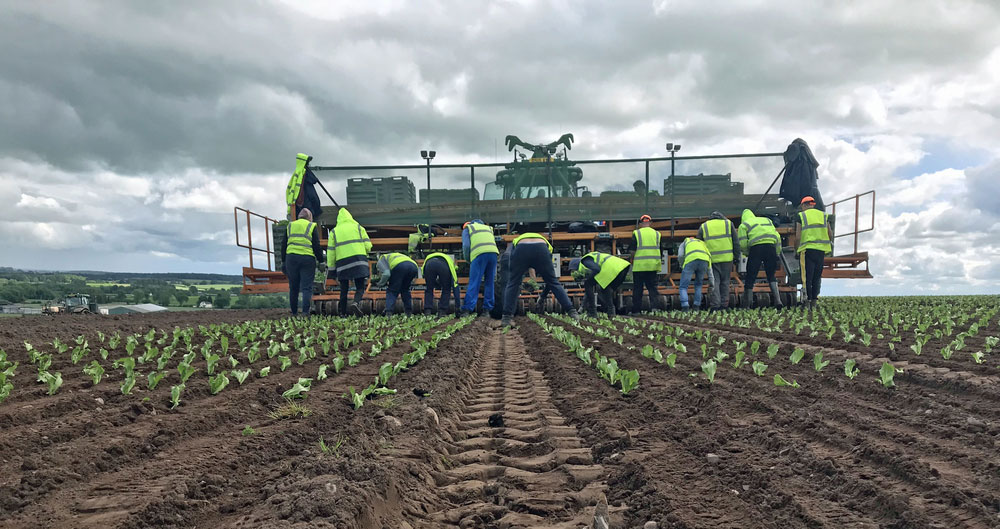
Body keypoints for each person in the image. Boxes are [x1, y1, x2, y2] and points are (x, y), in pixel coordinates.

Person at [502, 233, 579, 327]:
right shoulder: (547, 244)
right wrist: (541, 294)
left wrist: (522, 280)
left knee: (513, 282)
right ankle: (572, 312)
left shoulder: (516, 241)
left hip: (521, 248)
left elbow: (524, 262)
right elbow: (547, 279)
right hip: (541, 248)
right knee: (553, 282)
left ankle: (506, 318)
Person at [328, 208, 372, 316]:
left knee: (344, 289)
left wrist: (331, 270)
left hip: (343, 264)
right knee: (360, 287)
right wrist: (364, 252)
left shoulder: (334, 231)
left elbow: (331, 253)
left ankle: (343, 314)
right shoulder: (358, 227)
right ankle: (356, 302)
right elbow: (368, 246)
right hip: (358, 261)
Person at [279, 208, 323, 316]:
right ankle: (305, 312)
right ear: (309, 217)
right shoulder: (311, 226)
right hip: (307, 259)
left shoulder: (290, 226)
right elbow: (316, 246)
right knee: (306, 287)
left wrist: (283, 261)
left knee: (293, 287)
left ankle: (294, 313)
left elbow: (284, 244)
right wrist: (321, 260)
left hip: (291, 258)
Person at [738, 209, 783, 309]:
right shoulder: (767, 221)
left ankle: (747, 304)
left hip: (756, 249)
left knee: (751, 276)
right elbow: (777, 237)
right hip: (771, 247)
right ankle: (778, 300)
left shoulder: (744, 225)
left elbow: (742, 243)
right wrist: (777, 252)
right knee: (771, 275)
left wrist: (747, 253)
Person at [793, 196, 832, 309]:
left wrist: (796, 250)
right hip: (820, 251)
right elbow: (830, 233)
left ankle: (806, 302)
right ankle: (814, 302)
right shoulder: (823, 215)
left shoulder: (801, 216)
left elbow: (798, 236)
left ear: (804, 205)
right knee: (816, 276)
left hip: (807, 250)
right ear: (812, 204)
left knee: (806, 277)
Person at [698, 211, 739, 311]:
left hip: (712, 260)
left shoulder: (704, 226)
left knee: (715, 282)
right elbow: (735, 242)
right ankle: (724, 305)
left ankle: (715, 305)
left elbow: (699, 243)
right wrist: (737, 257)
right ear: (722, 217)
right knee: (725, 282)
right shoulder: (728, 223)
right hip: (727, 259)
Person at [572, 252, 631, 317]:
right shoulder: (591, 258)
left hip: (614, 269)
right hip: (622, 267)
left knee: (588, 284)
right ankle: (611, 312)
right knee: (605, 289)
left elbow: (596, 269)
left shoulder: (585, 260)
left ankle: (592, 312)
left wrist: (588, 278)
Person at [461, 219, 499, 315]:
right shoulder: (488, 228)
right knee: (489, 282)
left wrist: (468, 259)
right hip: (493, 254)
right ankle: (487, 310)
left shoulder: (468, 228)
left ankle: (467, 309)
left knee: (475, 281)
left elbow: (466, 246)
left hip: (479, 254)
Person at [629, 214, 663, 314]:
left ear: (640, 224)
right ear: (651, 223)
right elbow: (660, 250)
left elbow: (632, 250)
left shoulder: (637, 233)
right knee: (653, 289)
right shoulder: (657, 234)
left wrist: (631, 260)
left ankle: (636, 311)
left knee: (638, 289)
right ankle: (655, 309)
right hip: (653, 266)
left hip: (639, 266)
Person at [676, 236, 712, 311]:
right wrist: (712, 283)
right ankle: (696, 306)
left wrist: (682, 265)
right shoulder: (702, 243)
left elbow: (680, 255)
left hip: (690, 261)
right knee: (698, 285)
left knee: (683, 286)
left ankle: (685, 306)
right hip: (704, 261)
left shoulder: (685, 242)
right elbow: (709, 263)